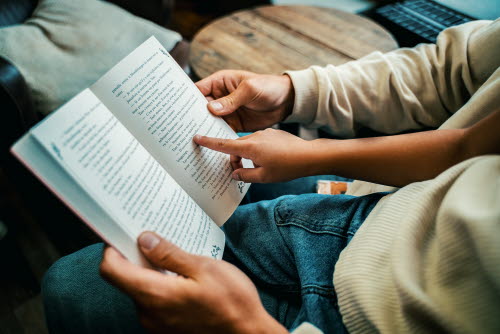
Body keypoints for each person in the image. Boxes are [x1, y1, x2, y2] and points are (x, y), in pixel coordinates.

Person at [42, 19, 499, 334]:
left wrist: (247, 327)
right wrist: (293, 92)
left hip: (380, 317)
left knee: (74, 286)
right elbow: (456, 99)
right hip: (379, 217)